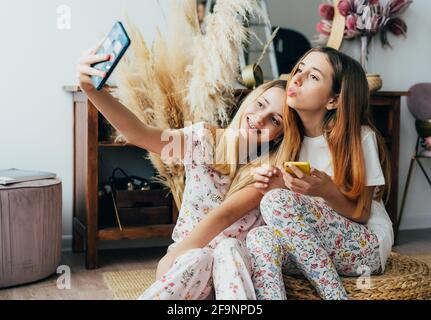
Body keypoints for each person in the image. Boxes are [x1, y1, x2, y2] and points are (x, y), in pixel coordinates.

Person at [76, 41, 289, 299]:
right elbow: (139, 134)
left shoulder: (268, 171)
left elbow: (227, 216)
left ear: (279, 136)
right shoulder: (203, 140)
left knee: (228, 248)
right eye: (260, 104)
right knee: (199, 257)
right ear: (251, 99)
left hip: (233, 274)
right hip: (188, 266)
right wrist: (92, 90)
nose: (260, 118)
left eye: (275, 120)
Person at [248, 47, 392, 300]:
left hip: (366, 248)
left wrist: (326, 191)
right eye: (300, 69)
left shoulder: (359, 137)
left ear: (333, 100)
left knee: (275, 202)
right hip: (318, 247)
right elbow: (296, 218)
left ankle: (335, 296)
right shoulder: (290, 141)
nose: (297, 79)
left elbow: (362, 214)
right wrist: (274, 184)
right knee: (259, 238)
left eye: (313, 76)